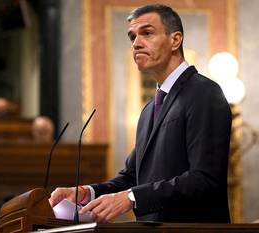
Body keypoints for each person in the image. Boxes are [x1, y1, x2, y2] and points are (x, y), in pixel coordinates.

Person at [49, 4, 232, 223]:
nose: (136, 43)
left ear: (175, 40)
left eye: (147, 33)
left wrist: (131, 198)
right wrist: (87, 192)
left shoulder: (204, 93)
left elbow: (204, 179)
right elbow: (132, 177)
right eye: (132, 37)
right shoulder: (149, 110)